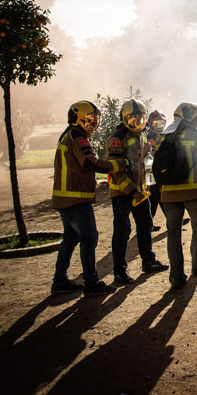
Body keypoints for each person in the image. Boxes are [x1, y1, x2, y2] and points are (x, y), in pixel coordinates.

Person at [51, 101, 127, 296]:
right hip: (76, 199)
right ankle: (91, 282)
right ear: (80, 117)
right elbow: (90, 163)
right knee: (89, 237)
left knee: (70, 238)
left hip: (64, 198)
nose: (94, 123)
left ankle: (59, 280)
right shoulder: (78, 138)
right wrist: (119, 164)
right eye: (91, 118)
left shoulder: (68, 135)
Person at [105, 99, 168, 284]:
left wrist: (147, 185)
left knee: (145, 225)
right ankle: (119, 271)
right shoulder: (117, 139)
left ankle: (148, 262)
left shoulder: (140, 136)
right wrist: (133, 191)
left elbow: (143, 164)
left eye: (140, 119)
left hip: (140, 192)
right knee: (122, 231)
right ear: (123, 118)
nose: (136, 123)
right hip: (122, 193)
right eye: (132, 119)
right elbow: (116, 171)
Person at [158, 102, 197, 290]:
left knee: (173, 235)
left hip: (168, 196)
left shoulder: (164, 135)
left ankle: (176, 277)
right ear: (191, 117)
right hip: (194, 193)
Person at [145, 109, 167, 231]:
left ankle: (149, 224)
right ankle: (148, 224)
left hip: (154, 171)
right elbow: (153, 154)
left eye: (162, 123)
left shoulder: (159, 135)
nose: (160, 126)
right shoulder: (151, 136)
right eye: (157, 123)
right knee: (155, 197)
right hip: (151, 171)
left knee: (156, 197)